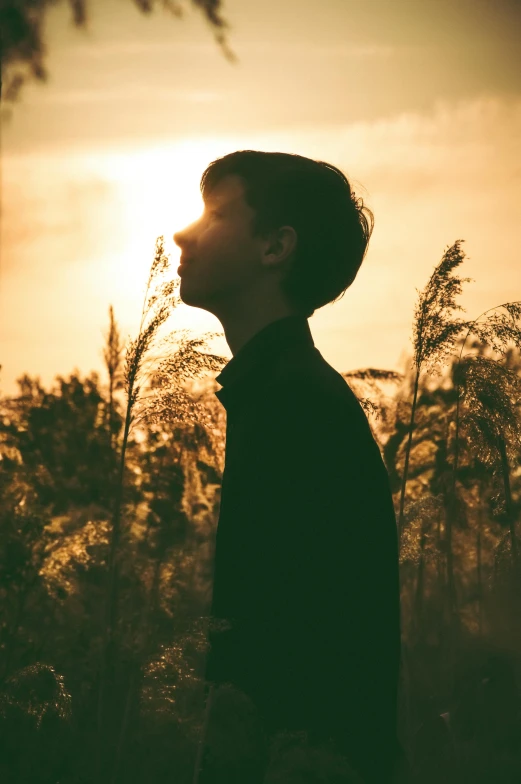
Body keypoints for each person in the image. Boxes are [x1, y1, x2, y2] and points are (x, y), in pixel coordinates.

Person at [173, 150, 403, 784]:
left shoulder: (295, 405)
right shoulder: (281, 392)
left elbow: (290, 642)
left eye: (214, 215)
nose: (181, 233)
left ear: (275, 247)